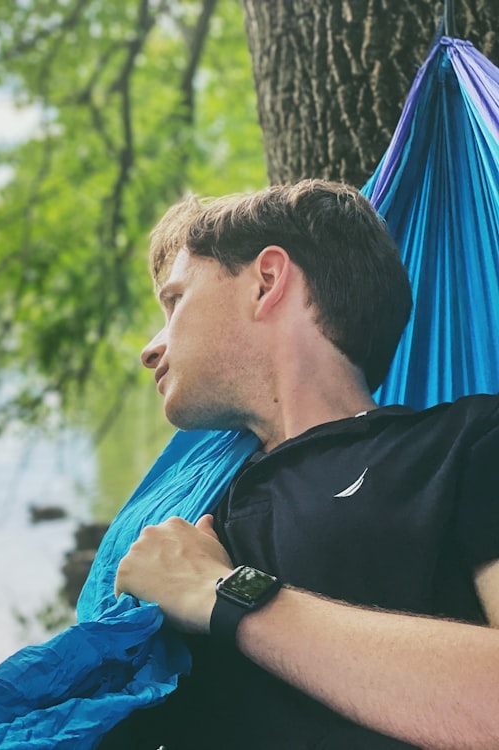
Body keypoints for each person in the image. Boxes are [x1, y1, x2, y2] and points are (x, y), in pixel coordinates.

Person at [100, 180, 499, 749]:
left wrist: (221, 593)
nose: (150, 348)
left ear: (266, 281)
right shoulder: (193, 518)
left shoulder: (465, 445)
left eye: (175, 301)